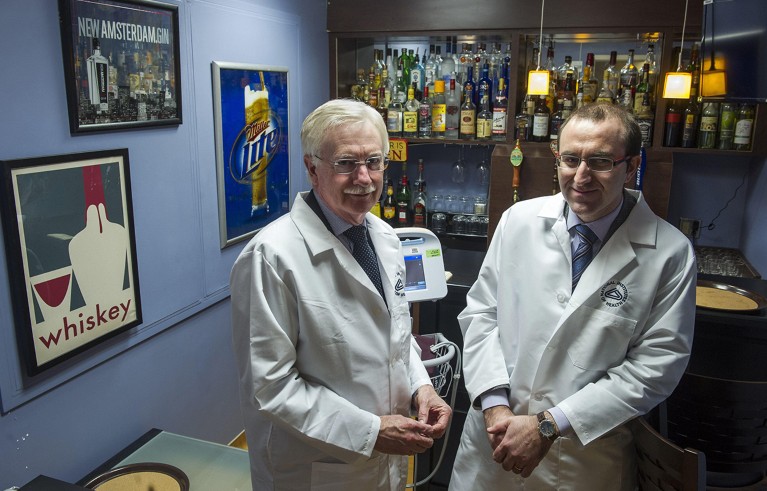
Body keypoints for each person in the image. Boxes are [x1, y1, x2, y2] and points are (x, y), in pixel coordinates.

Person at [449, 103, 696, 490]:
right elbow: (481, 314)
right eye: (570, 159)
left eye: (600, 161)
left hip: (583, 460)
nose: (581, 176)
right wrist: (495, 405)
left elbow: (655, 368)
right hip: (493, 442)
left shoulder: (669, 252)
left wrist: (549, 424)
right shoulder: (519, 220)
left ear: (631, 166)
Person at [231, 98, 451, 490]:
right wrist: (370, 431)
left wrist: (423, 387)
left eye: (375, 161)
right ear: (312, 168)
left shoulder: (382, 236)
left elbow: (396, 340)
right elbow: (272, 386)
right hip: (316, 469)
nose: (364, 178)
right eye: (346, 163)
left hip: (384, 463)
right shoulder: (272, 257)